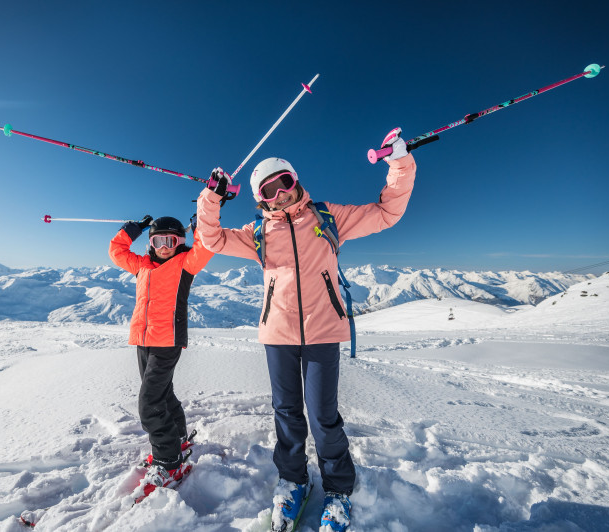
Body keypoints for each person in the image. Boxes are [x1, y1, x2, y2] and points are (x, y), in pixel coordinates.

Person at [194, 128, 416, 532]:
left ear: (296, 181)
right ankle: (293, 481)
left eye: (284, 184)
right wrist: (212, 198)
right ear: (259, 199)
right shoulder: (257, 234)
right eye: (268, 192)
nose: (279, 195)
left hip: (323, 331)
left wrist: (399, 162)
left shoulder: (330, 218)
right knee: (287, 415)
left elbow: (388, 213)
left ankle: (338, 490)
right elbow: (209, 238)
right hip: (278, 335)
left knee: (323, 416)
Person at [108, 214, 214, 501]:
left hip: (167, 341)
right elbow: (116, 251)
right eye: (158, 241)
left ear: (180, 242)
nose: (165, 246)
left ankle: (168, 461)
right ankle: (176, 439)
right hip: (143, 340)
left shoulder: (185, 264)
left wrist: (202, 223)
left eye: (172, 241)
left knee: (148, 402)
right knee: (162, 394)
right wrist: (132, 230)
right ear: (151, 243)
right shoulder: (142, 264)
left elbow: (207, 245)